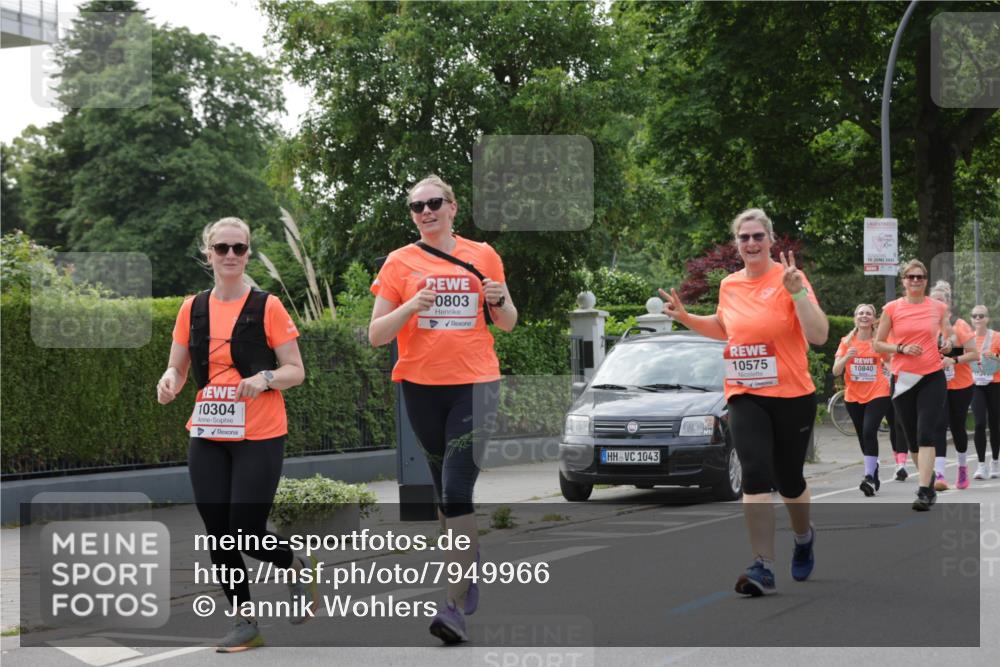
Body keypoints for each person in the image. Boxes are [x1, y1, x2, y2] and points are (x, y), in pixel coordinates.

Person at [368, 175, 517, 643]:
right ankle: (467, 557)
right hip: (420, 387)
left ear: (453, 207)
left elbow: (508, 322)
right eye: (417, 206)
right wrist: (411, 304)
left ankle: (452, 607)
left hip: (475, 385)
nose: (426, 211)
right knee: (443, 497)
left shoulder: (483, 255)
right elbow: (376, 334)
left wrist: (498, 299)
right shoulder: (399, 262)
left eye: (434, 203)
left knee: (456, 491)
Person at [157, 217, 312, 652]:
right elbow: (179, 366)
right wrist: (168, 381)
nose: (230, 255)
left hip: (259, 433)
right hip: (208, 431)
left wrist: (264, 378)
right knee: (218, 532)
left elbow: (295, 371)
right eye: (221, 248)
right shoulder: (193, 308)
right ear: (208, 253)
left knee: (245, 529)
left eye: (238, 249)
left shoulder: (268, 306)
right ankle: (246, 621)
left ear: (247, 252)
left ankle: (295, 565)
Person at [661, 208, 828, 596]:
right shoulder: (729, 286)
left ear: (771, 240)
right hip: (745, 392)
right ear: (736, 244)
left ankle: (803, 538)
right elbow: (724, 327)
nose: (751, 243)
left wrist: (797, 292)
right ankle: (763, 565)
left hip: (791, 394)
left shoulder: (791, 278)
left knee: (789, 481)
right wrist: (687, 318)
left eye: (757, 236)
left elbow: (818, 334)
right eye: (744, 237)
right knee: (754, 474)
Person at [874, 260, 954, 511]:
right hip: (904, 380)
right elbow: (878, 344)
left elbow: (949, 335)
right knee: (912, 440)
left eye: (920, 277)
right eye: (911, 277)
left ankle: (923, 491)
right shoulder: (892, 308)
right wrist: (901, 348)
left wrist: (948, 344)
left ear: (926, 280)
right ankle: (927, 479)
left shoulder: (938, 308)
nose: (916, 281)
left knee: (925, 433)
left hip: (932, 376)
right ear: (904, 281)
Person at [832, 304, 892, 496]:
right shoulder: (846, 342)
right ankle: (873, 472)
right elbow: (836, 371)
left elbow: (892, 361)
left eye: (868, 313)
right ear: (855, 318)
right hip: (853, 395)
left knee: (868, 431)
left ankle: (868, 477)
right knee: (862, 437)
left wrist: (891, 371)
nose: (864, 316)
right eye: (860, 313)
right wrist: (845, 358)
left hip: (878, 392)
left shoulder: (879, 342)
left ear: (874, 319)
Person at [927, 281, 979, 490]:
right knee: (938, 425)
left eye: (941, 300)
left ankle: (962, 467)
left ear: (948, 303)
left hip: (961, 384)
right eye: (934, 300)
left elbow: (974, 354)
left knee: (957, 426)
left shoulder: (960, 325)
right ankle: (940, 475)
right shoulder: (928, 327)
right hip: (936, 384)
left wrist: (953, 360)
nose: (937, 304)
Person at [970, 305, 1000, 479]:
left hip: (995, 383)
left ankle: (995, 461)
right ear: (971, 319)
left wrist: (996, 358)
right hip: (976, 385)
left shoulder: (996, 337)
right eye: (975, 316)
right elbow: (959, 357)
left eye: (981, 316)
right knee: (980, 423)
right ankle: (981, 465)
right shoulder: (968, 339)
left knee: (995, 423)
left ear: (987, 318)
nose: (978, 319)